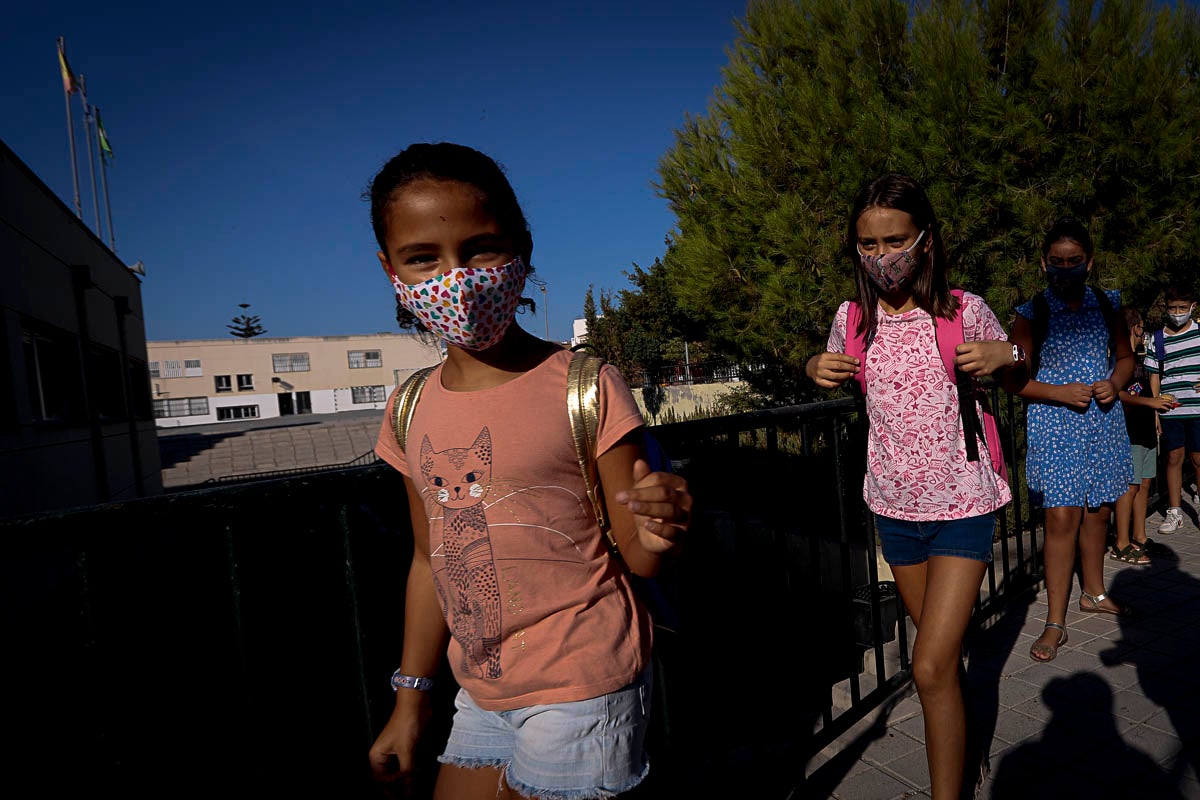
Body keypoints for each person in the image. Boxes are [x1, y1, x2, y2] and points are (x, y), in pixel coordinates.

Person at [363, 142, 692, 800]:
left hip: (585, 681)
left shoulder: (586, 385)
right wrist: (410, 700)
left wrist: (661, 526)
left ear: (521, 248)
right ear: (389, 268)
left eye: (481, 247)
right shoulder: (407, 410)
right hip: (482, 690)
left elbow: (640, 553)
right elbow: (430, 562)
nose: (455, 276)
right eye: (423, 257)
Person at [806, 173, 1021, 800]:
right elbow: (831, 371)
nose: (881, 258)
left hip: (963, 504)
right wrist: (811, 366)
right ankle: (962, 753)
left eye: (893, 240)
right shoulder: (850, 320)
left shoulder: (963, 309)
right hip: (894, 510)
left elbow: (1013, 370)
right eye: (867, 245)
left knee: (925, 664)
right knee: (942, 664)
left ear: (924, 240)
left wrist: (1007, 357)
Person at [1007, 217, 1135, 665]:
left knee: (1098, 513)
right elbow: (1014, 382)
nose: (1066, 269)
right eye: (1058, 262)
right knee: (1061, 520)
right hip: (1055, 424)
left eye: (1075, 261)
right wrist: (1060, 392)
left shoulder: (1106, 302)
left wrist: (1114, 383)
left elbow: (1125, 358)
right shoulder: (1031, 313)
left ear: (1089, 262)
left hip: (1102, 421)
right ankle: (1055, 622)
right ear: (1044, 264)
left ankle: (1094, 593)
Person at [1113, 306, 1171, 564]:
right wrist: (1151, 404)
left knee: (1145, 482)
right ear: (1135, 327)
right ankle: (1121, 541)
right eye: (1140, 326)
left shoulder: (1142, 357)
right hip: (1129, 430)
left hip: (1146, 428)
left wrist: (1155, 413)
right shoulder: (1117, 359)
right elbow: (1121, 394)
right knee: (1130, 485)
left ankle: (1139, 534)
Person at [1145, 285, 1200, 535]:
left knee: (1198, 458)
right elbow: (1154, 375)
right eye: (1172, 308)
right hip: (1171, 407)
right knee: (1173, 457)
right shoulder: (1157, 338)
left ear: (1192, 307)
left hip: (1197, 408)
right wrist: (1156, 408)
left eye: (1182, 308)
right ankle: (1174, 511)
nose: (1177, 313)